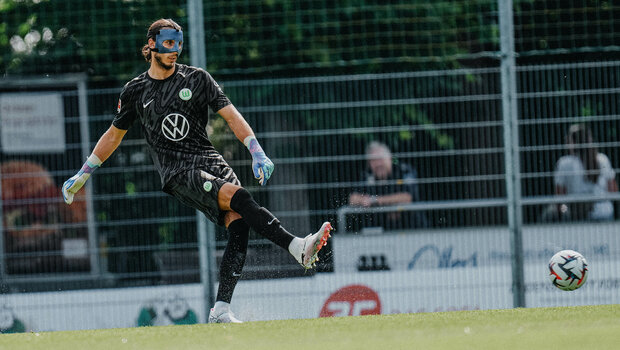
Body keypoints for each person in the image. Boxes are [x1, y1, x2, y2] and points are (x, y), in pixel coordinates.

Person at [61, 18, 332, 324]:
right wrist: (83, 173)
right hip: (178, 172)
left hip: (210, 160)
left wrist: (256, 151)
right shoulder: (136, 90)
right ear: (151, 45)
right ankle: (297, 247)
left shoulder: (198, 78)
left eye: (178, 43)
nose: (174, 49)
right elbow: (113, 135)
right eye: (167, 43)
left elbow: (230, 115)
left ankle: (220, 310)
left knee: (239, 224)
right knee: (239, 196)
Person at [543, 124, 618, 222]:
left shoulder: (564, 163)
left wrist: (563, 210)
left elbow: (559, 198)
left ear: (572, 142)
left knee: (548, 213)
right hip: (604, 211)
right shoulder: (603, 160)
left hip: (577, 215)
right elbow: (613, 191)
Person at [348, 141, 428, 231]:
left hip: (412, 228)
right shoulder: (367, 176)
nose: (378, 164)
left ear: (389, 158)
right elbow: (352, 198)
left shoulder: (403, 170)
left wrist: (374, 200)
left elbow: (407, 197)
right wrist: (363, 200)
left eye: (380, 159)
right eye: (373, 160)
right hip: (380, 231)